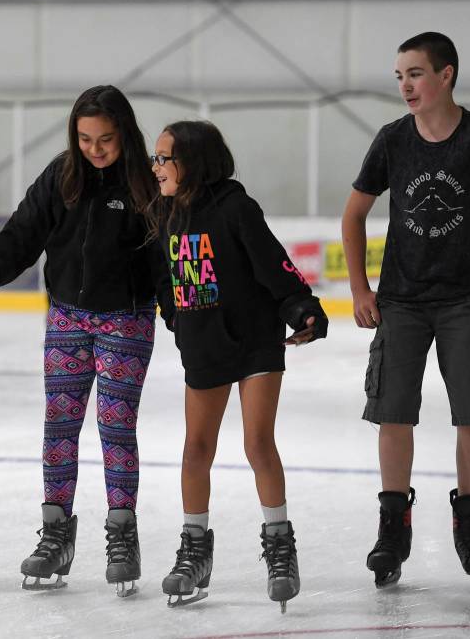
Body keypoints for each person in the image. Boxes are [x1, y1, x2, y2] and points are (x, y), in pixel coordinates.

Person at [342, 32, 470, 590]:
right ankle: (392, 524)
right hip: (401, 301)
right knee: (392, 412)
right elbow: (353, 214)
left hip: (465, 303)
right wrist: (360, 289)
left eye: (416, 73)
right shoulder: (391, 141)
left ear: (446, 75)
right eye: (399, 75)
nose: (405, 85)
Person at [0, 85, 160, 597]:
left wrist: (184, 314)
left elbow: (167, 253)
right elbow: (23, 233)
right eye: (85, 138)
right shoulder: (62, 174)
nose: (94, 149)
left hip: (126, 320)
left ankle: (122, 535)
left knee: (116, 429)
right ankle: (56, 534)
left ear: (125, 134)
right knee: (60, 427)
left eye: (106, 139)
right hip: (67, 317)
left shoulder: (145, 181)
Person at [146, 121, 328, 611]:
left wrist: (302, 308)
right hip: (203, 342)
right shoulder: (162, 216)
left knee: (257, 443)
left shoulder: (235, 208)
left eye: (164, 158)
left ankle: (279, 545)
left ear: (193, 162)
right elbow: (164, 279)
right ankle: (195, 549)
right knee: (195, 449)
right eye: (155, 158)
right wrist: (177, 321)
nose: (156, 167)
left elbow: (276, 266)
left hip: (254, 341)